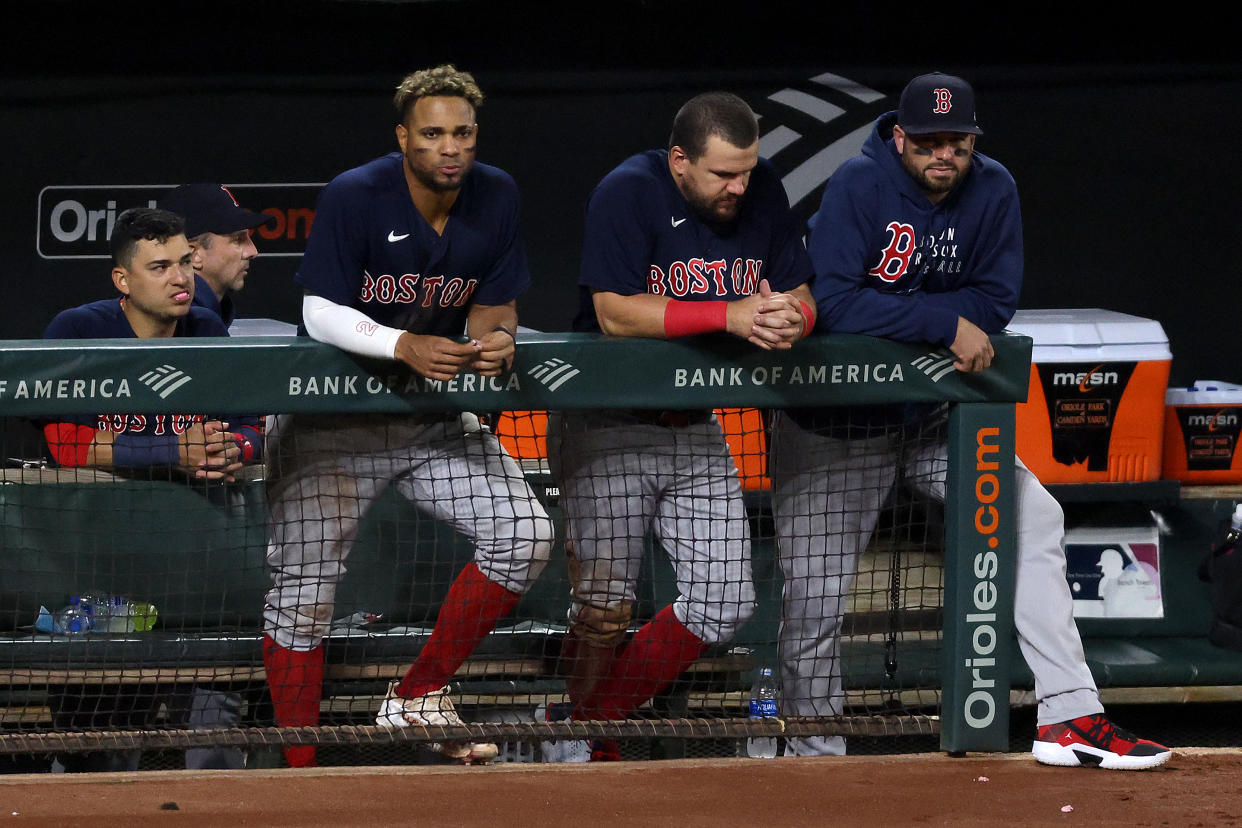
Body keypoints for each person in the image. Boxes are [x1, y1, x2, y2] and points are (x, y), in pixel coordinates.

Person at [768, 72, 1172, 770]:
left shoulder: (995, 190)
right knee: (814, 599)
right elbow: (833, 302)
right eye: (928, 140)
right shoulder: (860, 187)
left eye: (957, 140)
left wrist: (937, 323)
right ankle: (813, 757)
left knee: (1033, 517)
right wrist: (938, 321)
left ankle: (1071, 716)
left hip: (934, 422)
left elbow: (994, 303)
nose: (943, 153)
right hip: (834, 424)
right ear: (899, 136)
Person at [261, 64, 553, 767]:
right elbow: (319, 310)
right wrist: (402, 343)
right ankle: (298, 774)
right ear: (403, 138)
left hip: (429, 419)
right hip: (332, 421)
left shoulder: (498, 194)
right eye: (432, 134)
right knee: (303, 599)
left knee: (525, 533)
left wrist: (497, 339)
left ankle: (418, 695)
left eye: (462, 133)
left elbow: (496, 299)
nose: (449, 148)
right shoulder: (357, 195)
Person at [554, 91, 815, 761]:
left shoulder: (761, 192)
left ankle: (582, 721)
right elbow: (614, 314)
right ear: (679, 161)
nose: (739, 187)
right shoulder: (628, 192)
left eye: (747, 171)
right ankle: (588, 744)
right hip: (609, 422)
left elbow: (799, 290)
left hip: (695, 427)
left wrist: (796, 317)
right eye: (723, 174)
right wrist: (727, 315)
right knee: (603, 608)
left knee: (726, 601)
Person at [41, 207, 264, 771]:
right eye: (160, 266)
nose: (180, 278)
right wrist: (173, 452)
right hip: (99, 571)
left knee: (219, 734)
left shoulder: (206, 331)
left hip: (196, 572)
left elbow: (251, 426)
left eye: (186, 263)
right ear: (123, 279)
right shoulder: (78, 330)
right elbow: (66, 445)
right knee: (98, 749)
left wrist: (231, 449)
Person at [159, 183, 274, 328]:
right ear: (193, 254)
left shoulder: (207, 315)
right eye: (238, 239)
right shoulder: (192, 323)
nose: (253, 252)